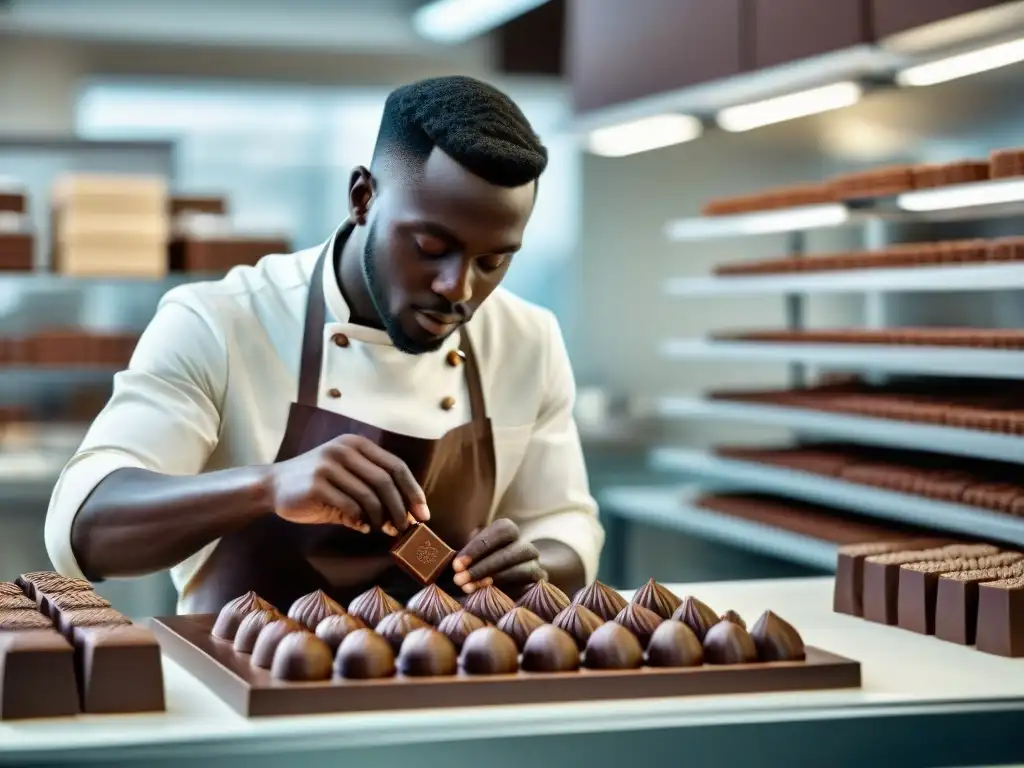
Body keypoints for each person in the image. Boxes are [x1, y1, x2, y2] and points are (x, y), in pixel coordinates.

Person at [44, 75, 604, 614]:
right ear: (362, 197)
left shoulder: (527, 339)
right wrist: (267, 486)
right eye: (430, 246)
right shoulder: (221, 319)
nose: (457, 288)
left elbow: (567, 525)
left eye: (492, 261)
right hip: (245, 686)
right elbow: (83, 528)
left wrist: (535, 565)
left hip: (446, 686)